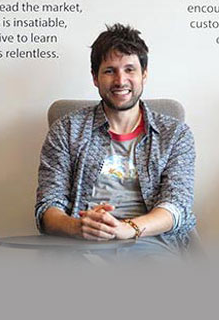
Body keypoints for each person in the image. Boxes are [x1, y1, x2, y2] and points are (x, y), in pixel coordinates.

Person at [35, 24, 196, 258]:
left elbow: (177, 206)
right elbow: (47, 207)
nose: (121, 80)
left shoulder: (175, 134)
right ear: (95, 78)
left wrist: (127, 229)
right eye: (110, 71)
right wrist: (77, 227)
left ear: (144, 74)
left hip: (151, 246)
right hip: (81, 247)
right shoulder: (66, 130)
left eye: (130, 69)